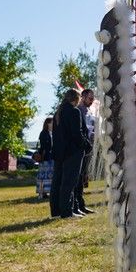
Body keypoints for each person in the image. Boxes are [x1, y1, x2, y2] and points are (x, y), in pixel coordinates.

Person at [50, 89, 89, 219]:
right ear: (76, 98)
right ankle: (67, 212)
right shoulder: (74, 111)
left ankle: (56, 211)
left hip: (59, 152)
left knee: (57, 182)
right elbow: (77, 134)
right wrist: (86, 145)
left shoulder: (58, 113)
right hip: (72, 152)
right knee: (69, 182)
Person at [75, 88, 96, 214]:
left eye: (93, 99)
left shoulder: (89, 111)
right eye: (90, 98)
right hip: (79, 148)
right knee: (77, 178)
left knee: (82, 177)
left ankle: (81, 204)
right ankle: (77, 204)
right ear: (82, 97)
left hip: (88, 147)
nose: (92, 101)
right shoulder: (78, 110)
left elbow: (90, 129)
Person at [35, 117, 54, 199]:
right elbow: (42, 146)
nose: (53, 124)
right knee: (43, 175)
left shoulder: (52, 133)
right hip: (45, 157)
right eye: (52, 122)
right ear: (48, 123)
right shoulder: (43, 133)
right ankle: (42, 192)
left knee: (50, 175)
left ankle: (48, 191)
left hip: (52, 157)